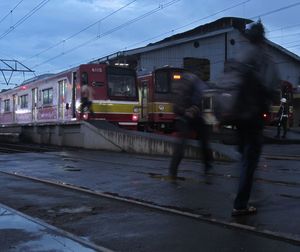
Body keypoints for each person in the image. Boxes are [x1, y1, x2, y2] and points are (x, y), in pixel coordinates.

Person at [231, 21, 280, 216]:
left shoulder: (241, 54)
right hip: (252, 115)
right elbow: (272, 83)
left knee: (244, 155)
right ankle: (240, 204)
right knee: (250, 160)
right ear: (262, 37)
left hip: (237, 114)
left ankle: (242, 194)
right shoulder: (263, 55)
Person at [168, 72, 213, 180]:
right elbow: (207, 106)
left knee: (181, 144)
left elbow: (175, 107)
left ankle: (173, 171)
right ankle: (208, 166)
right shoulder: (202, 87)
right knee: (204, 143)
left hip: (188, 117)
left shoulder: (183, 86)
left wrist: (186, 111)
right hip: (196, 118)